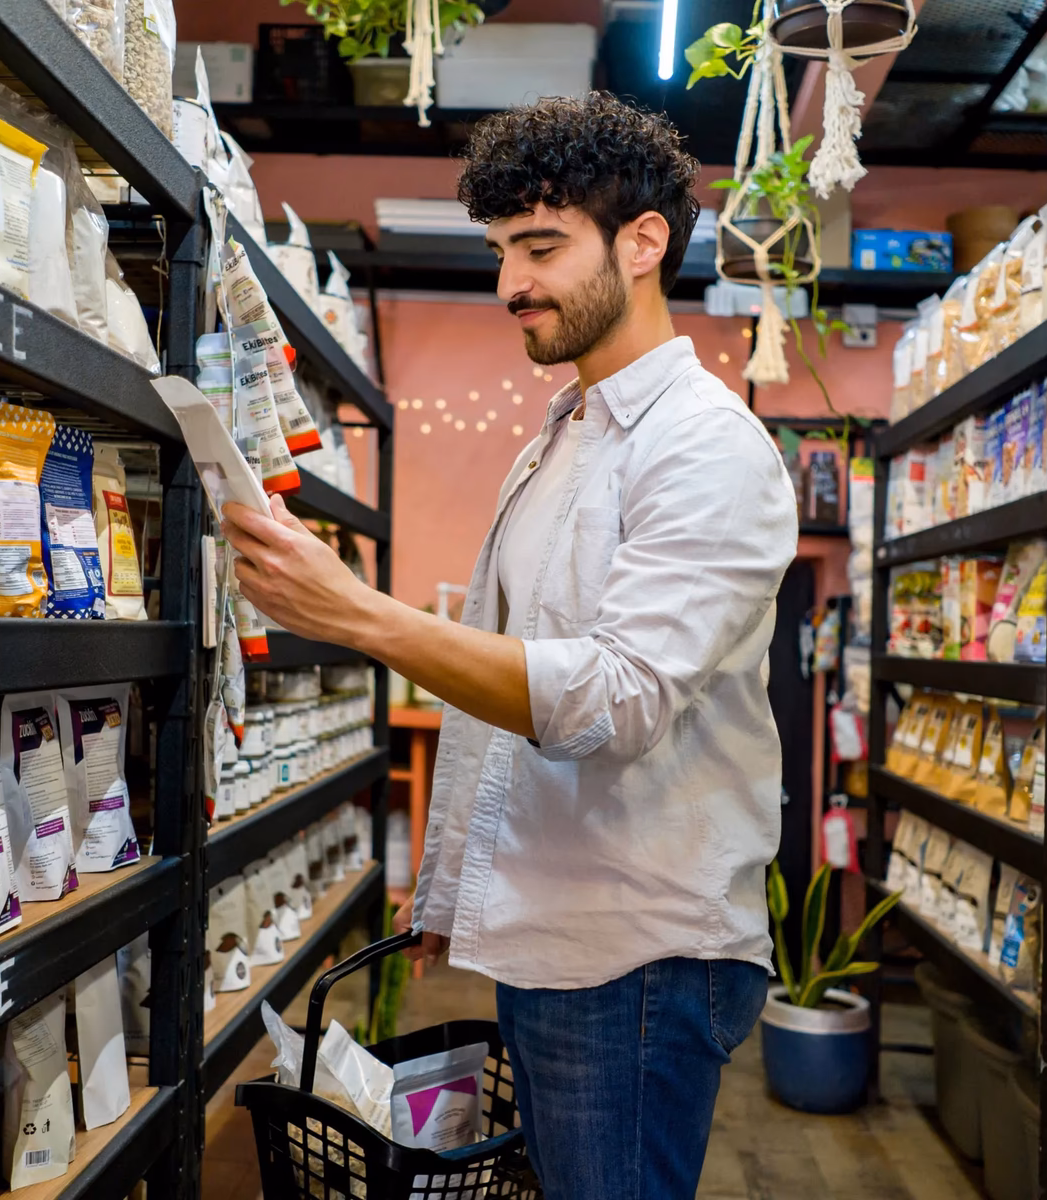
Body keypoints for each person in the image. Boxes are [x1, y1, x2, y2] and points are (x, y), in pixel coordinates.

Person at [222, 92, 797, 1199]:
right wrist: (453, 883)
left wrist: (360, 616)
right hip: (561, 932)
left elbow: (612, 701)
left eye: (538, 247)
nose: (508, 285)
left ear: (643, 244)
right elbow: (514, 681)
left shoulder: (705, 448)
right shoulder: (564, 434)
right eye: (499, 252)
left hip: (636, 954)